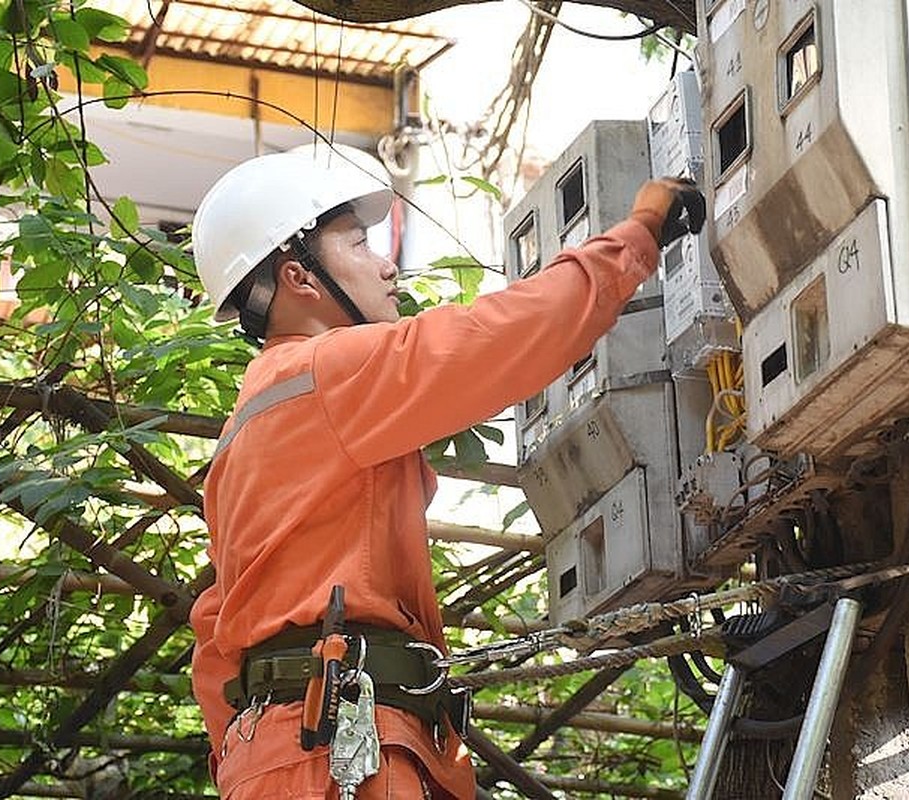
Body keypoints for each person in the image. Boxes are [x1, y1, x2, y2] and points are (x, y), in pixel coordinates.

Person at [189, 147, 704, 799]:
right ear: (299, 277)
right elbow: (506, 334)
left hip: (284, 756)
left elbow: (214, 635)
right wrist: (639, 233)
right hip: (336, 753)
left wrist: (260, 758)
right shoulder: (330, 370)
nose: (386, 267)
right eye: (358, 244)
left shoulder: (249, 427)